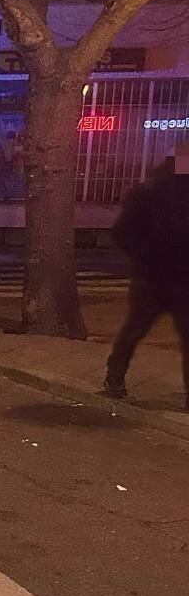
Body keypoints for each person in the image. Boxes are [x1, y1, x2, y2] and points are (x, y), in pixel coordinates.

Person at [103, 144, 189, 407]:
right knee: (135, 329)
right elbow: (123, 233)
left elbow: (122, 233)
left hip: (170, 277)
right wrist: (148, 255)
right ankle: (114, 376)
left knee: (138, 329)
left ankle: (114, 378)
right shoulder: (149, 193)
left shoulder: (148, 191)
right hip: (155, 278)